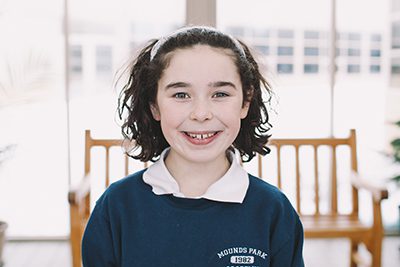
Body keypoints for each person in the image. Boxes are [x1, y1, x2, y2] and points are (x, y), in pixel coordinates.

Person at [82, 25, 304, 267]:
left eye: (220, 94)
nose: (201, 114)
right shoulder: (117, 207)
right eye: (181, 95)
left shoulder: (272, 210)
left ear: (245, 102)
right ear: (154, 105)